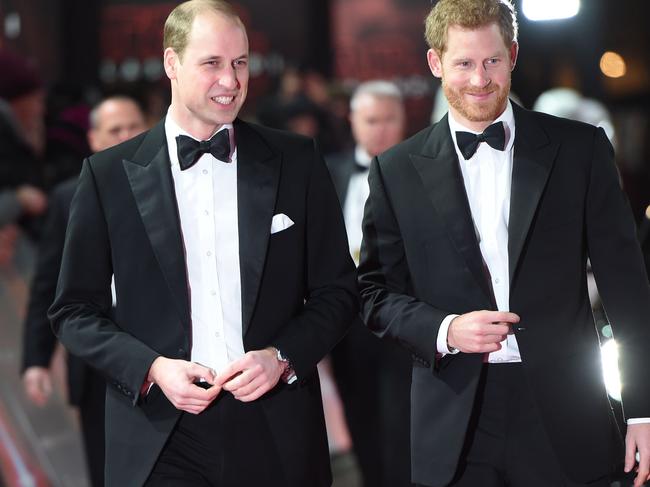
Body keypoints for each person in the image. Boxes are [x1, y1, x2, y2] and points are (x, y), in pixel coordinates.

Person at [48, 1, 357, 486]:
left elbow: (339, 290)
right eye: (212, 63)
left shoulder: (295, 161)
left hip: (275, 426)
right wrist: (151, 368)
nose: (231, 81)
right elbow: (73, 311)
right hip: (159, 435)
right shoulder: (108, 175)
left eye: (240, 63)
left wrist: (281, 357)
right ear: (172, 63)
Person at [357, 1, 650, 487]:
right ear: (436, 64)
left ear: (513, 54)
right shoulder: (396, 170)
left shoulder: (580, 149)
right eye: (464, 64)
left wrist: (644, 411)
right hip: (453, 421)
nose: (480, 79)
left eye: (492, 60)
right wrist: (446, 329)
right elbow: (373, 293)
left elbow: (628, 287)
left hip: (566, 415)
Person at [21, 95, 147, 487]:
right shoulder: (67, 197)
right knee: (108, 471)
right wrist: (36, 359)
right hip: (98, 366)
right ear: (93, 138)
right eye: (115, 130)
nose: (126, 136)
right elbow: (49, 284)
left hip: (167, 351)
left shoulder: (176, 183)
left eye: (133, 126)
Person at [326, 80, 412, 487]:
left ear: (403, 120)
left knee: (403, 423)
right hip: (346, 324)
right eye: (370, 120)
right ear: (353, 121)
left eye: (388, 119)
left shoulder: (423, 170)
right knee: (359, 417)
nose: (379, 129)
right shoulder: (328, 171)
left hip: (406, 320)